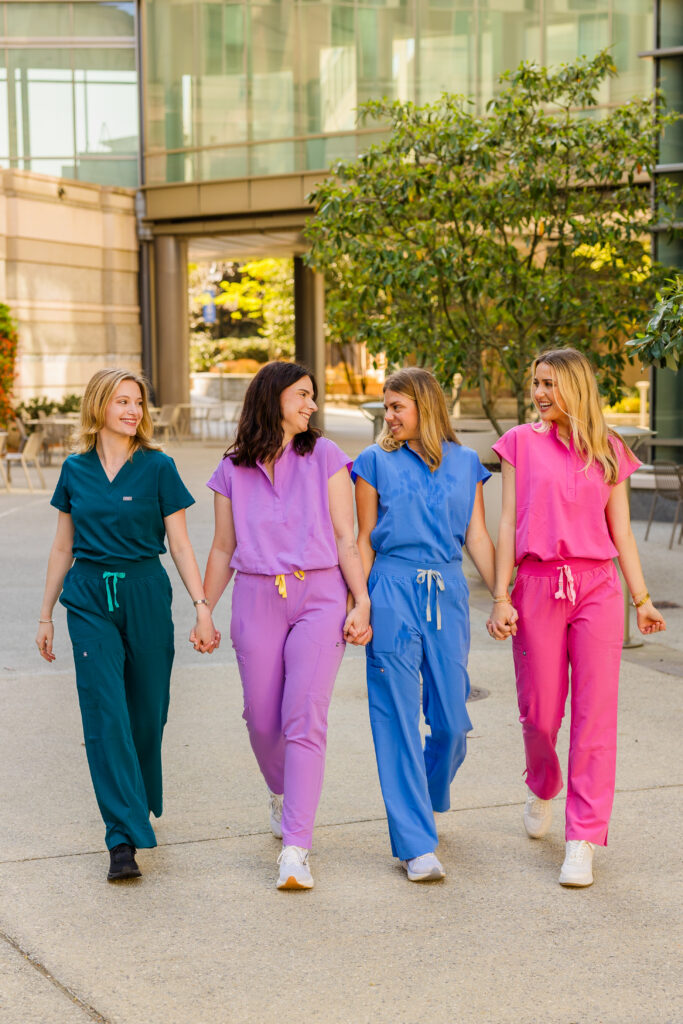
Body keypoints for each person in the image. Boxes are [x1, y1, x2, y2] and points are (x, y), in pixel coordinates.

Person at [489, 347, 666, 887]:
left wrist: (642, 598)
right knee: (540, 714)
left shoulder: (610, 451)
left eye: (550, 384)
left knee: (595, 718)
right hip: (538, 585)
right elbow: (506, 523)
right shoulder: (519, 443)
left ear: (576, 388)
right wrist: (501, 595)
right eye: (536, 382)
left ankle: (583, 837)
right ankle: (543, 783)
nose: (540, 393)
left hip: (598, 588)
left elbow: (621, 533)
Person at [36, 368, 218, 882]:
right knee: (105, 713)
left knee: (146, 714)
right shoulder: (74, 470)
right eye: (121, 401)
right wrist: (46, 614)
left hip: (145, 592)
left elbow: (179, 544)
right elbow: (61, 546)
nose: (133, 411)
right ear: (99, 408)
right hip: (90, 596)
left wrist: (202, 606)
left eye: (137, 402)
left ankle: (136, 795)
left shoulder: (159, 467)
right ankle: (121, 838)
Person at [202, 361, 371, 891]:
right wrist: (204, 608)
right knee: (260, 719)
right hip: (256, 595)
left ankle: (296, 847)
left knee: (305, 717)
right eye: (302, 395)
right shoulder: (232, 468)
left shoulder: (326, 457)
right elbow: (224, 547)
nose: (312, 405)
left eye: (313, 397)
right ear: (273, 397)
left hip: (320, 595)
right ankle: (282, 791)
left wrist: (360, 600)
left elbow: (348, 537)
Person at [353, 367, 498, 882]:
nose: (388, 417)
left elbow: (477, 536)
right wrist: (359, 604)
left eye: (397, 407)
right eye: (385, 407)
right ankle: (416, 844)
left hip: (448, 592)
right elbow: (365, 538)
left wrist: (500, 596)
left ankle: (430, 794)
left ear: (426, 406)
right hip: (391, 589)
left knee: (453, 722)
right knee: (394, 717)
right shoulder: (373, 462)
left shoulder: (465, 464)